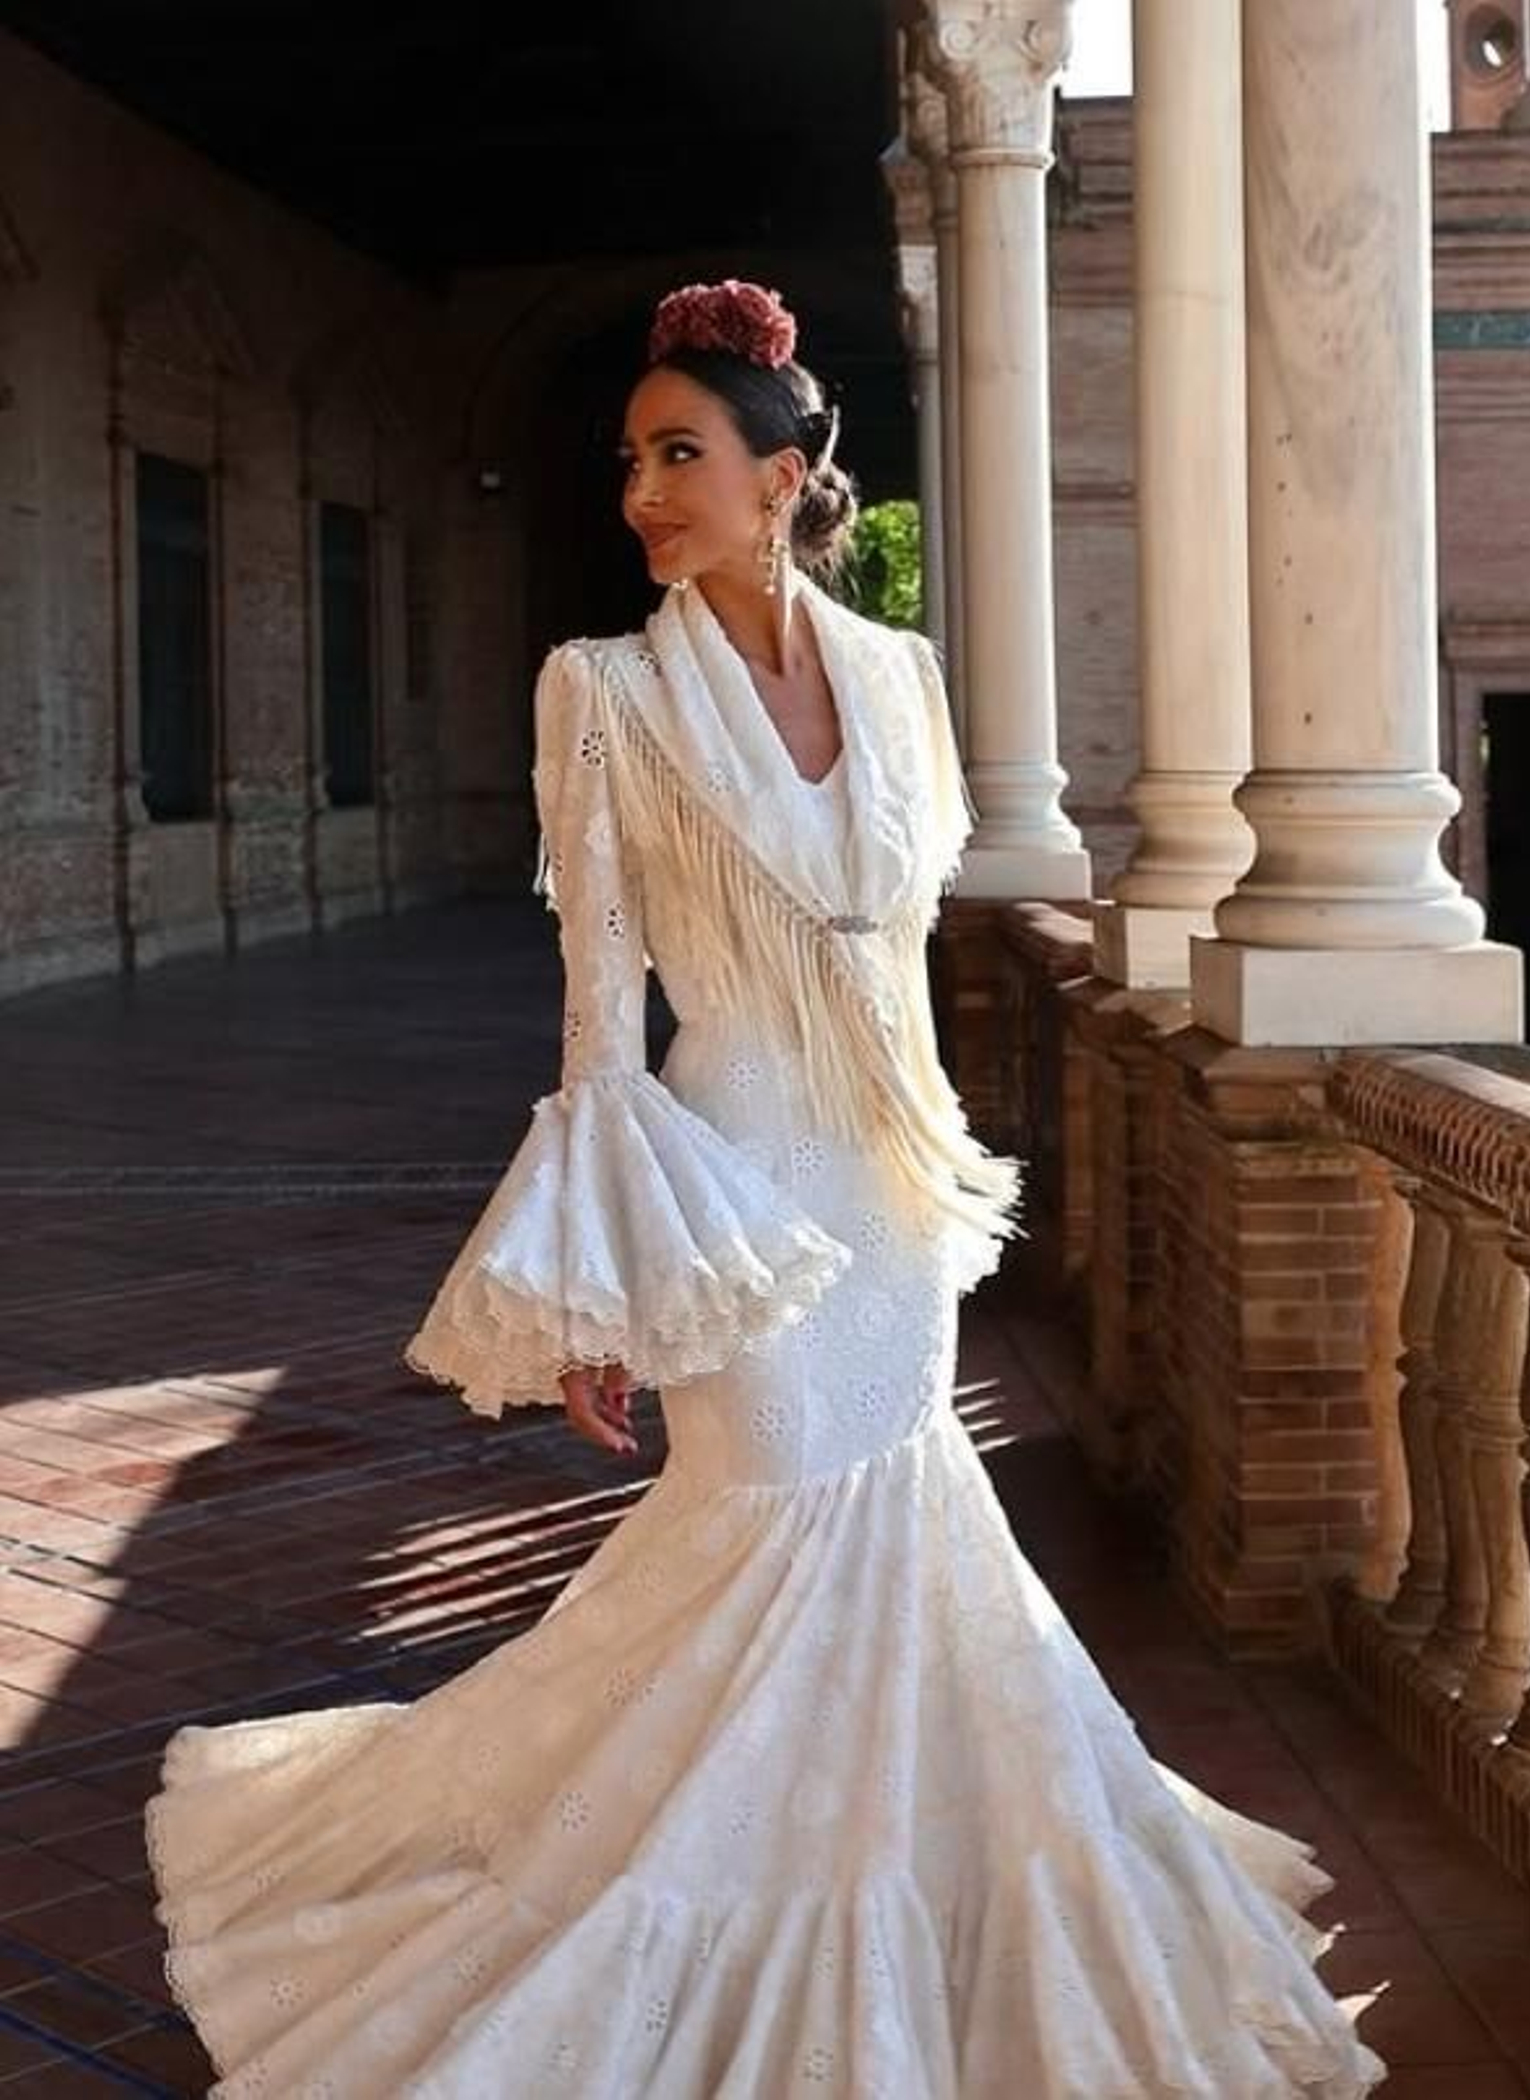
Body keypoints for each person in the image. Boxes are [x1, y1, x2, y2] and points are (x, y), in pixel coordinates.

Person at [143, 280, 1387, 2098]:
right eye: (632, 460)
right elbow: (598, 1011)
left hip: (894, 1187)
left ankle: (900, 1896)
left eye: (681, 452)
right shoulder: (605, 692)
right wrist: (600, 1285)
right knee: (763, 1521)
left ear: (786, 472)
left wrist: (929, 1154)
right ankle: (657, 1915)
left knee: (906, 1533)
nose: (645, 489)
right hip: (728, 1172)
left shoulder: (899, 677)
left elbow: (899, 952)